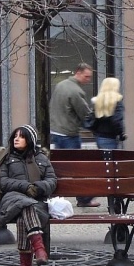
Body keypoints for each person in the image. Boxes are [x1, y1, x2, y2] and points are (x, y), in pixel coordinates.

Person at [0, 125, 57, 266]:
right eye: (15, 136)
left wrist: (38, 187)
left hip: (36, 202)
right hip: (10, 199)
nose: (16, 139)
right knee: (25, 204)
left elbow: (52, 181)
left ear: (30, 140)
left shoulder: (41, 158)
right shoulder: (6, 158)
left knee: (23, 217)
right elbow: (2, 182)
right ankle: (39, 249)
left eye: (21, 136)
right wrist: (25, 186)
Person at [49, 62, 100, 207]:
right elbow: (85, 114)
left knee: (60, 167)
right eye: (86, 76)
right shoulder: (76, 91)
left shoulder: (61, 85)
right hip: (69, 133)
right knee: (77, 168)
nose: (88, 80)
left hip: (56, 130)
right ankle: (83, 199)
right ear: (78, 73)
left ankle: (55, 197)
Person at [90, 77, 127, 149]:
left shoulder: (98, 102)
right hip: (111, 137)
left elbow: (93, 120)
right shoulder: (117, 102)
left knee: (103, 158)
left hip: (99, 137)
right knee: (110, 158)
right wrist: (121, 133)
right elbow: (117, 121)